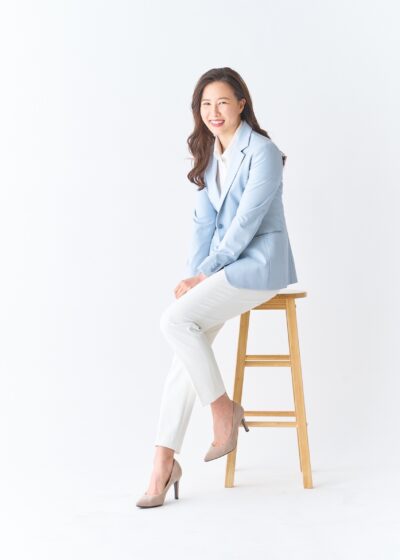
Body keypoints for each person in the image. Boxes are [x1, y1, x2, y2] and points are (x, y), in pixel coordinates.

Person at [136, 67, 298, 508]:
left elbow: (245, 225)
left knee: (174, 323)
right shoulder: (210, 155)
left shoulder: (262, 152)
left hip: (259, 267)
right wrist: (195, 278)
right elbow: (202, 228)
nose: (214, 112)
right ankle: (163, 460)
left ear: (242, 103)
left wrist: (205, 274)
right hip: (224, 270)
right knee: (185, 342)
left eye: (223, 102)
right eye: (206, 104)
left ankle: (222, 410)